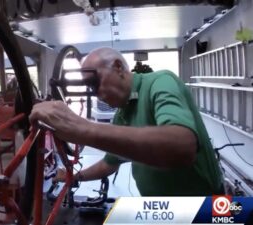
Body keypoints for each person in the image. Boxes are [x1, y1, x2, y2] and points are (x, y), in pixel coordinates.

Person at [29, 47, 224, 196]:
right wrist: (74, 177)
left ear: (119, 68)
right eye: (89, 87)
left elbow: (182, 146)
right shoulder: (122, 115)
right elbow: (109, 164)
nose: (94, 93)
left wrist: (82, 128)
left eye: (95, 83)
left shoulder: (160, 82)